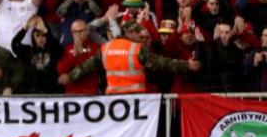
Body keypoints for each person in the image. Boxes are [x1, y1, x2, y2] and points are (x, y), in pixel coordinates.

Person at [60, 20, 202, 93]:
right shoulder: (136, 49)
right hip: (136, 99)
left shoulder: (106, 48)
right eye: (135, 32)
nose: (139, 35)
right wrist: (187, 65)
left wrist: (70, 76)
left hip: (114, 99)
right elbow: (161, 63)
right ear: (127, 32)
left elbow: (86, 66)